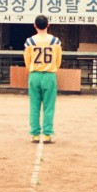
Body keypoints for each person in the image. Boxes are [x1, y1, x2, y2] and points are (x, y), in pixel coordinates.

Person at [24, 15, 62, 144]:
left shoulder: (30, 41)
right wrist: (52, 68)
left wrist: (33, 69)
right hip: (49, 75)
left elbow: (27, 61)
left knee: (34, 106)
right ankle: (47, 134)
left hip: (34, 74)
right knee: (49, 106)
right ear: (48, 24)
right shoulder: (55, 41)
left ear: (35, 25)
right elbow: (58, 60)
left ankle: (35, 134)